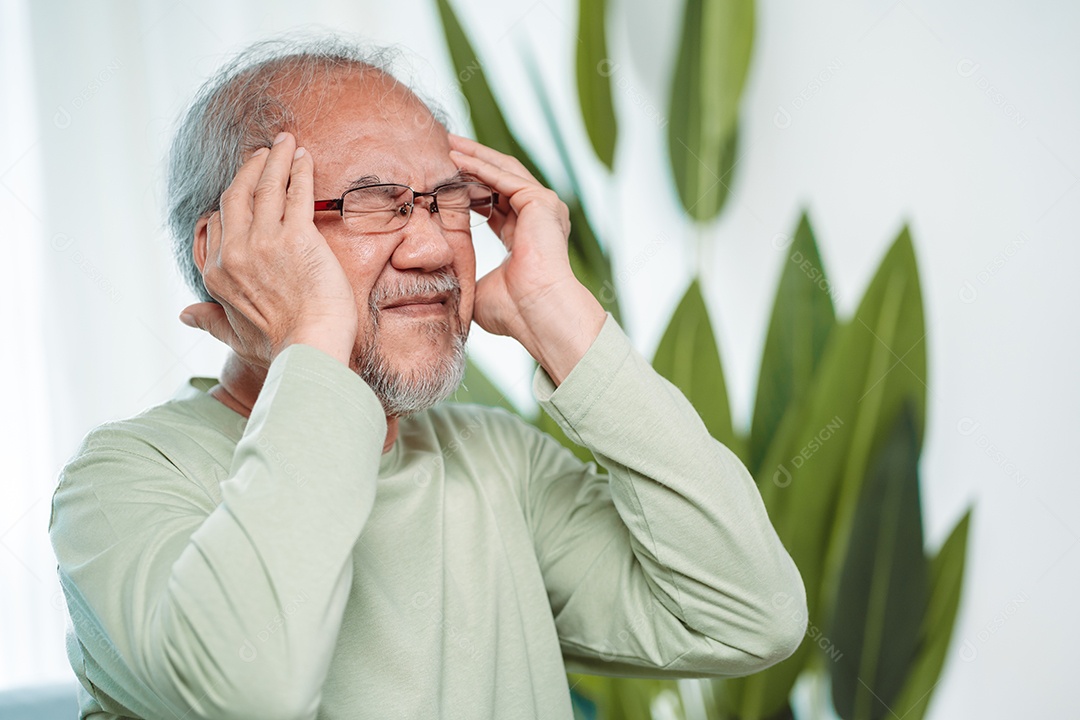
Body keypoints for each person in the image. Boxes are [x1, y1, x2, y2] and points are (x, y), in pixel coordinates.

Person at [49, 37, 807, 720]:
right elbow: (251, 692)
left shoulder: (498, 466)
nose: (432, 247)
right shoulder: (119, 481)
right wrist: (313, 341)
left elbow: (752, 615)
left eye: (448, 202)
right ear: (234, 246)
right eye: (373, 204)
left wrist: (561, 316)